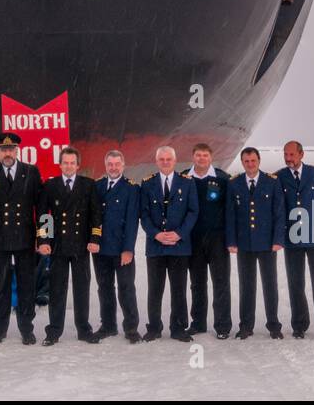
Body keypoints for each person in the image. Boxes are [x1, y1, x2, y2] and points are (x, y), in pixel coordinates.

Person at [0, 132, 43, 345]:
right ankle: (0, 329)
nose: (7, 153)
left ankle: (27, 329)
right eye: (3, 149)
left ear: (17, 150)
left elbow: (43, 209)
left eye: (11, 149)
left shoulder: (31, 172)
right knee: (0, 285)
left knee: (27, 285)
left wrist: (44, 239)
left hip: (25, 239)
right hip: (0, 239)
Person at [37, 146, 102, 345]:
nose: (68, 166)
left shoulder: (88, 185)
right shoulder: (50, 185)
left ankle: (84, 329)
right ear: (60, 164)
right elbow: (44, 215)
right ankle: (54, 331)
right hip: (58, 246)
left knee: (82, 288)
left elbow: (95, 215)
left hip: (81, 245)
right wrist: (44, 241)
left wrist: (95, 239)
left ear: (78, 165)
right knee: (57, 289)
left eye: (72, 163)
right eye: (65, 162)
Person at [276, 141, 314, 339]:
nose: (288, 158)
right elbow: (278, 207)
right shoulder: (279, 176)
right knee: (295, 283)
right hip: (291, 238)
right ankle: (299, 325)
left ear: (301, 154)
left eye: (291, 154)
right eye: (285, 154)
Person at [139, 145, 199, 341]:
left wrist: (179, 234)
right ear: (157, 161)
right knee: (155, 290)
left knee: (179, 289)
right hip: (156, 246)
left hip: (179, 246)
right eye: (162, 159)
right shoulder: (147, 184)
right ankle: (154, 328)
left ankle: (179, 328)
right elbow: (144, 214)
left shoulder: (187, 183)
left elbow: (193, 211)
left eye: (169, 159)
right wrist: (155, 234)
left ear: (175, 161)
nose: (165, 162)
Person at [225, 147, 286, 339]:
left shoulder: (271, 182)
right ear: (242, 162)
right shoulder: (234, 184)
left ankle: (274, 325)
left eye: (253, 160)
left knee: (270, 284)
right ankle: (246, 325)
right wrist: (232, 241)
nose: (250, 164)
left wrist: (278, 239)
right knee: (246, 285)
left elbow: (279, 213)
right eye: (246, 161)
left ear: (259, 161)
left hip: (267, 243)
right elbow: (230, 215)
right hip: (244, 244)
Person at [93, 149, 141, 343]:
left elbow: (132, 222)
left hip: (122, 249)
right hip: (101, 248)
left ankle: (131, 328)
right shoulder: (97, 186)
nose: (113, 168)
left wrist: (128, 249)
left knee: (126, 288)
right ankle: (108, 325)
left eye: (116, 164)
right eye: (110, 164)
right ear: (105, 166)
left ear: (123, 165)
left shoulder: (131, 188)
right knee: (104, 287)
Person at [184, 143, 232, 339]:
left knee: (221, 282)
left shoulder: (223, 179)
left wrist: (231, 239)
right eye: (198, 155)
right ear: (193, 157)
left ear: (211, 157)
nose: (201, 159)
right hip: (193, 238)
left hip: (217, 239)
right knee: (197, 283)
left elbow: (230, 211)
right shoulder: (184, 178)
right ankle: (198, 323)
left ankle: (222, 326)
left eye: (205, 155)